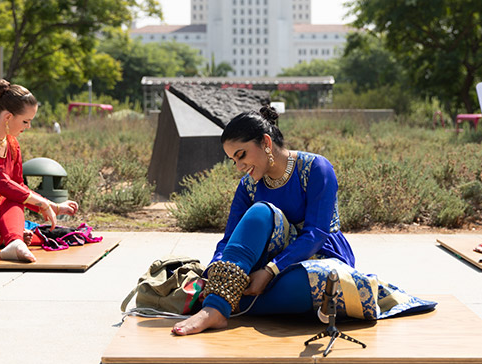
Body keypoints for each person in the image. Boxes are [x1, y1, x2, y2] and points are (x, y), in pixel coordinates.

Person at [172, 105, 435, 336]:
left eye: (241, 155)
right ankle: (217, 306)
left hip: (317, 258)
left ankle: (229, 302)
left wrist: (269, 271)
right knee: (260, 212)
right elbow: (229, 240)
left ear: (265, 142)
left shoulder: (316, 168)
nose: (239, 166)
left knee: (314, 284)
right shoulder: (248, 187)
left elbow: (317, 233)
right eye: (233, 160)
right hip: (265, 264)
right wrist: (214, 271)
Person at [0, 79, 79, 262]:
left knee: (14, 202)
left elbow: (18, 187)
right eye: (25, 121)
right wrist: (44, 204)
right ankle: (14, 239)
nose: (28, 127)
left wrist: (52, 205)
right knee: (15, 209)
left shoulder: (13, 146)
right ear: (8, 117)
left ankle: (14, 241)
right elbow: (0, 182)